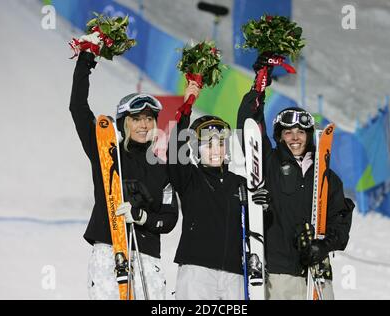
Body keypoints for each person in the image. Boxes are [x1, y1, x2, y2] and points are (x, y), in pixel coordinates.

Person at [237, 53, 354, 300]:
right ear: (279, 137)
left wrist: (323, 245)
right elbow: (248, 126)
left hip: (318, 275)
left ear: (309, 136)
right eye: (288, 132)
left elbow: (341, 223)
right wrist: (259, 84)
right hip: (280, 276)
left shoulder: (326, 178)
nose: (295, 137)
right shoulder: (268, 163)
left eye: (301, 132)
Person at [70, 49, 178, 300]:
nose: (144, 125)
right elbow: (77, 107)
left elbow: (169, 219)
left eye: (149, 119)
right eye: (136, 119)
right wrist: (87, 59)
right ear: (124, 123)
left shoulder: (163, 170)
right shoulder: (106, 154)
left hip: (147, 258)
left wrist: (142, 217)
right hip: (109, 252)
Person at [166, 81, 263, 300]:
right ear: (196, 149)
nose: (216, 150)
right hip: (196, 271)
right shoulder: (190, 178)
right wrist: (186, 109)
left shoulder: (240, 183)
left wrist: (262, 206)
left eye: (221, 144)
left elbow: (256, 225)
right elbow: (174, 153)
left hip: (234, 274)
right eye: (208, 145)